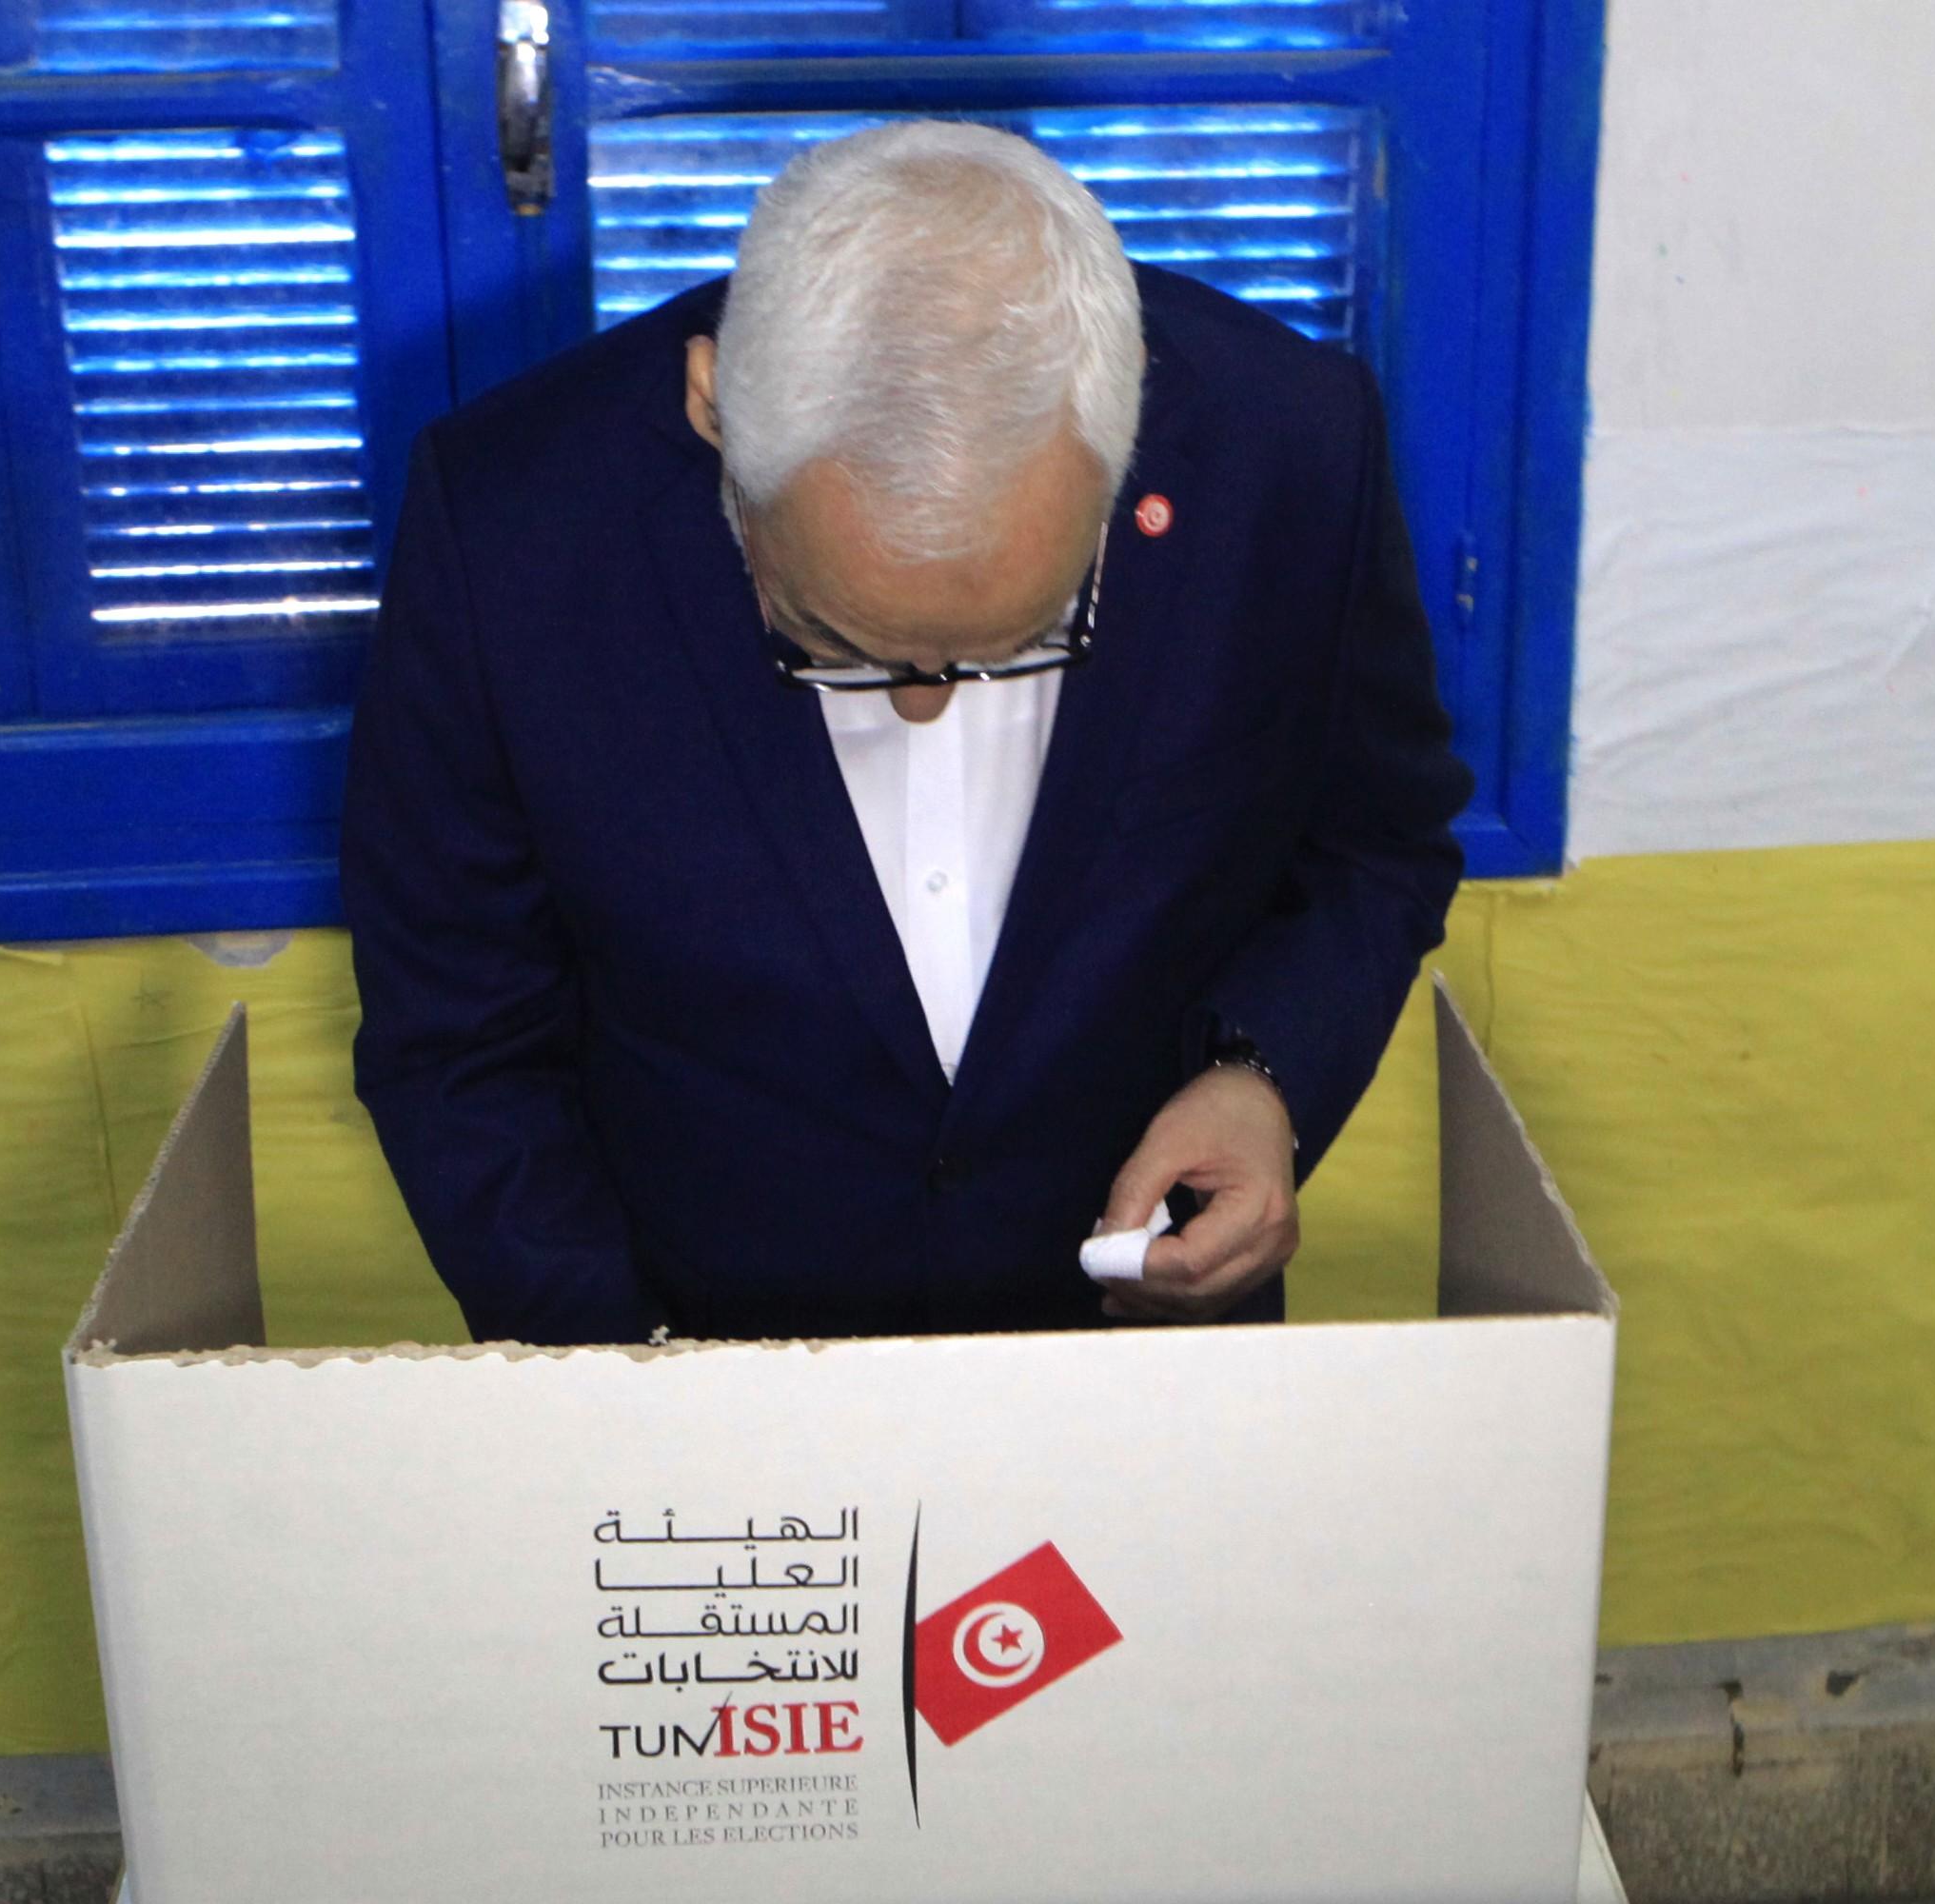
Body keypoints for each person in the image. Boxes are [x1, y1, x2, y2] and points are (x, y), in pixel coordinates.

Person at [345, 122, 1471, 1346]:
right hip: (691, 1357)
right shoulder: (511, 521)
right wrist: (622, 1377)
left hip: (1145, 1361)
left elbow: (1374, 844)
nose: (922, 702)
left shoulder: (1290, 447)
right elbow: (458, 1027)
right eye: (830, 638)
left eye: (1024, 637)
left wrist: (1266, 1078)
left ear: (1134, 424)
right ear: (713, 407)